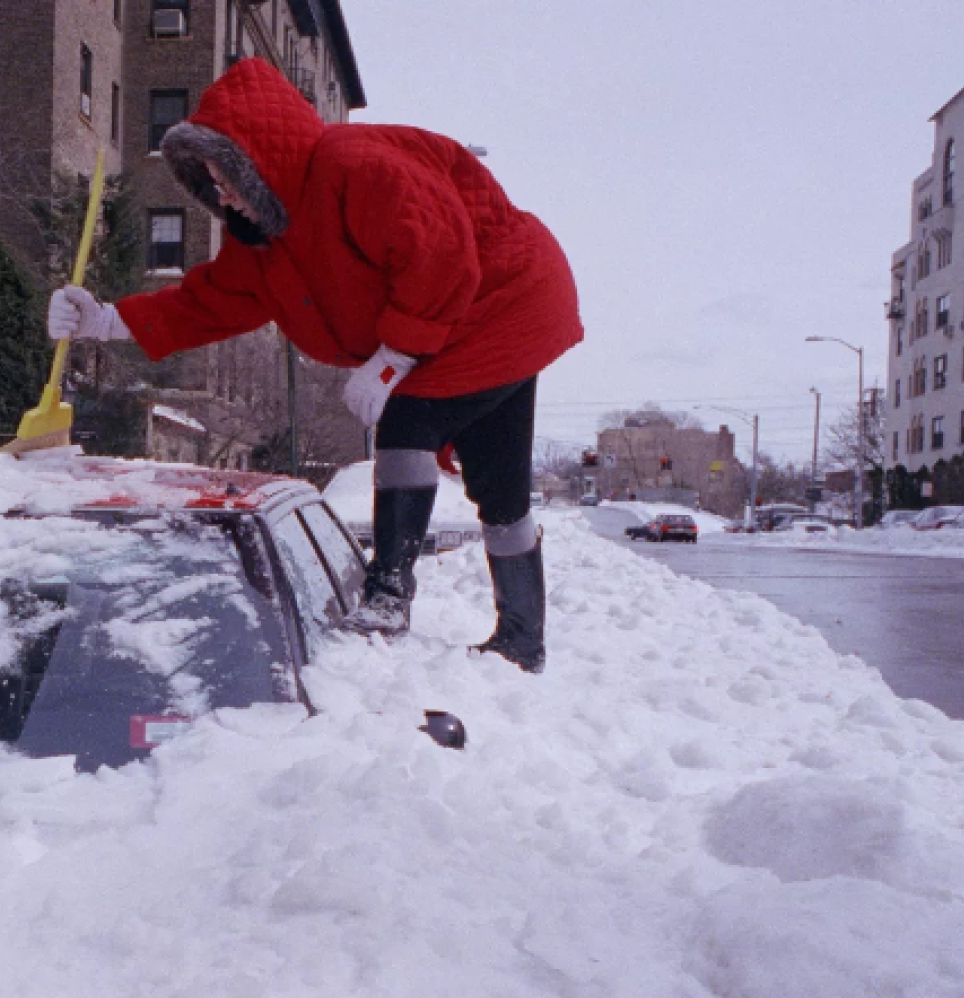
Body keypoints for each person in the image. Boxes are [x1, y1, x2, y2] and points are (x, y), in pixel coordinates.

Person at [47, 59, 581, 672]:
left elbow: (440, 252)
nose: (220, 194)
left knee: (408, 420)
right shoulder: (265, 241)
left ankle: (388, 594)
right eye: (210, 182)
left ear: (257, 158)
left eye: (224, 175)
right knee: (500, 487)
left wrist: (394, 358)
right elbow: (208, 303)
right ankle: (522, 642)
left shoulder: (353, 165)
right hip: (487, 314)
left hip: (503, 297)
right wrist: (105, 320)